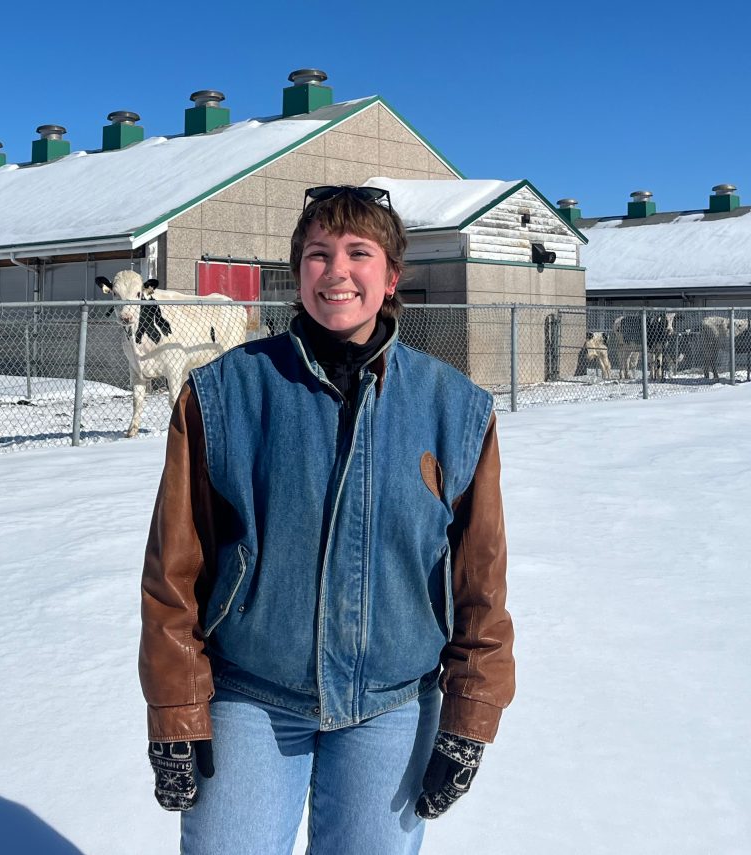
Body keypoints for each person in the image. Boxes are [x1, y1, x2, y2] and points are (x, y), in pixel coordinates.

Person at [139, 184, 515, 854]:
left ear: (391, 275)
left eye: (358, 252)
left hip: (392, 704)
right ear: (297, 273)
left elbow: (480, 584)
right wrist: (176, 706)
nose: (336, 270)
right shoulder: (223, 394)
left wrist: (471, 713)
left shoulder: (454, 409)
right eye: (318, 254)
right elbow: (175, 568)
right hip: (252, 695)